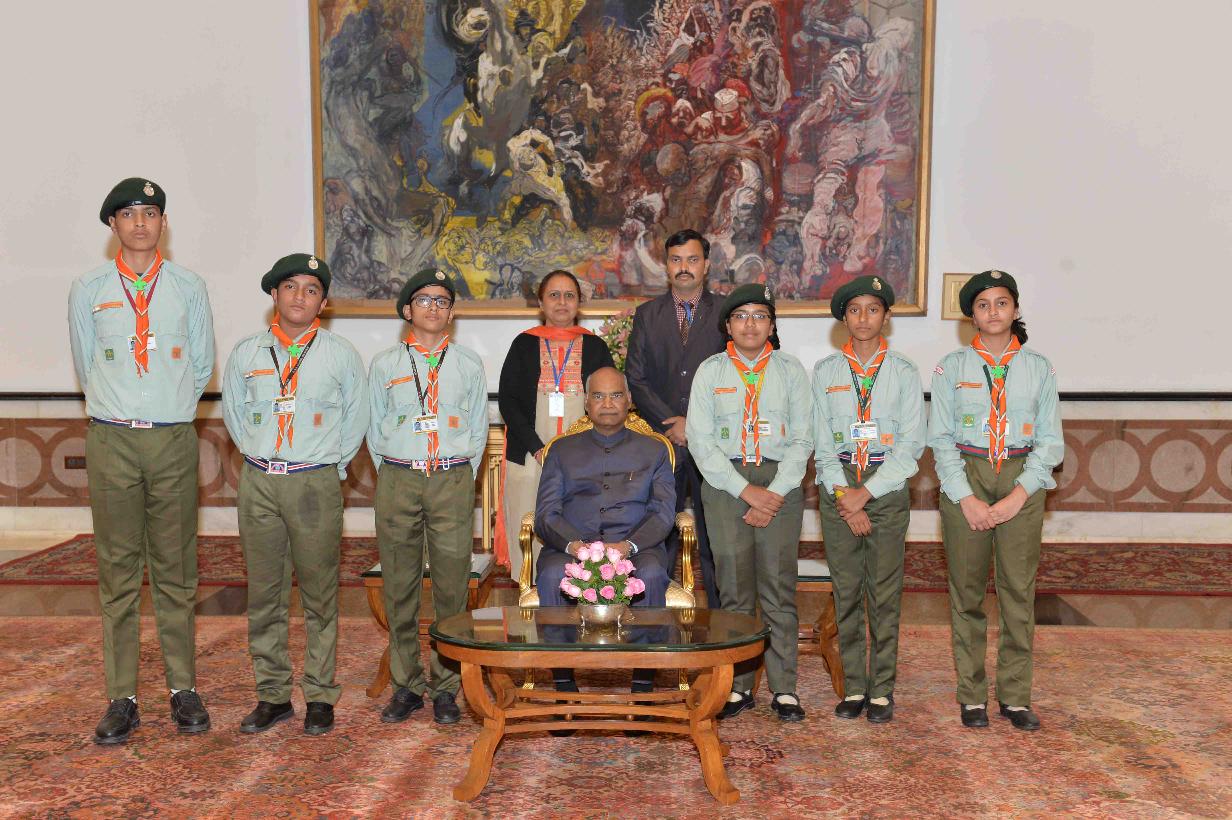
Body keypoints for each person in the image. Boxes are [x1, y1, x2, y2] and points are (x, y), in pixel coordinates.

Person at [68, 178, 215, 745]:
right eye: (128, 214)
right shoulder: (88, 288)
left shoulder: (188, 286)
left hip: (172, 439)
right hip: (112, 440)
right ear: (113, 224)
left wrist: (166, 409)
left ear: (163, 223)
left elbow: (200, 364)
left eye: (150, 213)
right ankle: (122, 696)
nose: (139, 223)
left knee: (176, 570)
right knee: (118, 572)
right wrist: (123, 408)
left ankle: (183, 688)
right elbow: (86, 363)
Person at [221, 254, 368, 736]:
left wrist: (330, 468)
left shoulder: (340, 354)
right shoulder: (247, 353)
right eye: (290, 286)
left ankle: (320, 694)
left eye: (311, 289)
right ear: (274, 295)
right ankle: (273, 695)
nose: (299, 296)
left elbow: (356, 418)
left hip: (314, 482)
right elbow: (235, 415)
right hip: (260, 481)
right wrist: (261, 456)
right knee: (265, 594)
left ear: (323, 303)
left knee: (320, 595)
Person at [928, 270, 1063, 731]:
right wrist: (965, 498)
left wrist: (1020, 495)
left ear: (1015, 309)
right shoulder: (951, 368)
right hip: (967, 475)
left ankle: (1015, 696)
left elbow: (1051, 442)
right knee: (966, 594)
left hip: (1023, 476)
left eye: (1001, 303)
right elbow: (940, 439)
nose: (993, 312)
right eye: (983, 305)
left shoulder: (1039, 368)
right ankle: (971, 696)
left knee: (1017, 593)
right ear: (971, 315)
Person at [686, 284, 813, 722]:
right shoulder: (710, 372)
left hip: (781, 482)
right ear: (728, 326)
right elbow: (701, 442)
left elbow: (803, 438)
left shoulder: (791, 371)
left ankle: (784, 688)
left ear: (772, 325)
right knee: (734, 590)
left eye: (760, 316)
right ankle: (737, 686)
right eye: (741, 316)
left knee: (778, 587)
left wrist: (774, 492)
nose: (750, 324)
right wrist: (745, 491)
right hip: (726, 485)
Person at [368, 268, 489, 725]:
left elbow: (478, 429)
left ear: (452, 313)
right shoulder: (385, 364)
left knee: (452, 587)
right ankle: (406, 685)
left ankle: (445, 686)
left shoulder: (468, 364)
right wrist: (395, 471)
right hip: (399, 477)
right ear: (407, 310)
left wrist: (459, 475)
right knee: (399, 585)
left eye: (442, 301)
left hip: (451, 478)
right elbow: (373, 428)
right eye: (424, 300)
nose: (433, 307)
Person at [812, 275, 924, 724]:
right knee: (847, 591)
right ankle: (854, 686)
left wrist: (866, 494)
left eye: (873, 309)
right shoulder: (826, 372)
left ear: (887, 317)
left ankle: (881, 689)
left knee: (883, 593)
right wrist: (846, 496)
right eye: (854, 310)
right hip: (839, 485)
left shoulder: (904, 372)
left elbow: (911, 446)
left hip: (886, 487)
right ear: (844, 317)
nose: (863, 318)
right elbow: (821, 444)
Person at [534, 366, 675, 696]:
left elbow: (663, 512)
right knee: (552, 575)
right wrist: (575, 547)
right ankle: (563, 681)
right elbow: (546, 513)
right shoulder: (561, 451)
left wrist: (629, 546)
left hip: (637, 547)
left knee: (652, 574)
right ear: (586, 402)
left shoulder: (654, 450)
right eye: (598, 396)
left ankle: (643, 683)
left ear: (629, 400)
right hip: (572, 547)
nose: (607, 403)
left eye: (615, 395)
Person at [626, 228, 725, 609]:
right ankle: (655, 618)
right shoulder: (647, 315)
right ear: (666, 266)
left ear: (707, 265)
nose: (684, 267)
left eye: (692, 259)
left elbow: (734, 376)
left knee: (715, 538)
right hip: (662, 444)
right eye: (676, 260)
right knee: (658, 535)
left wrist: (694, 424)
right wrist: (673, 421)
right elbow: (636, 377)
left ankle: (720, 622)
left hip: (713, 444)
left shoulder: (726, 314)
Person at [495, 270, 614, 584]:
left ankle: (583, 588)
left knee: (580, 523)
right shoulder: (523, 344)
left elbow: (607, 404)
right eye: (554, 295)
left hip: (583, 456)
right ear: (541, 303)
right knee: (529, 521)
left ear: (579, 302)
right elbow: (509, 401)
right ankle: (530, 589)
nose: (562, 302)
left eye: (569, 295)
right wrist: (537, 448)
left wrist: (584, 451)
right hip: (530, 452)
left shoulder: (596, 347)